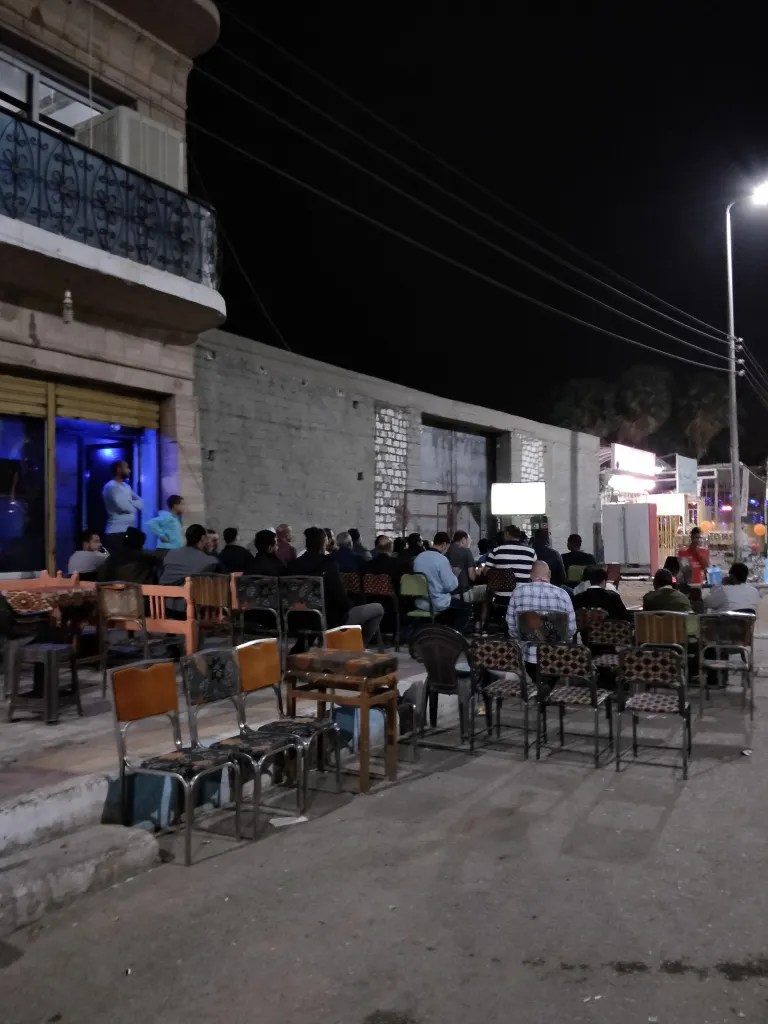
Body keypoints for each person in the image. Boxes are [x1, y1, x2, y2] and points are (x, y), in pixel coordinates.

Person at [288, 526, 384, 645]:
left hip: (298, 618)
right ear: (323, 543)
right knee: (378, 608)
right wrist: (352, 606)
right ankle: (357, 647)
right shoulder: (328, 564)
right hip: (330, 619)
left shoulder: (293, 566)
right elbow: (340, 597)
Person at [506, 561, 577, 673]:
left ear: (530, 574)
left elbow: (512, 627)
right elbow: (571, 629)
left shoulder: (518, 592)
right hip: (557, 658)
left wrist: (524, 638)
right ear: (549, 574)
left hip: (528, 659)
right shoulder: (563, 594)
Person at [413, 532, 470, 631]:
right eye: (447, 547)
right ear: (444, 545)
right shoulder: (441, 559)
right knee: (466, 608)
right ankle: (452, 637)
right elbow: (450, 586)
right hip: (436, 602)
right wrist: (454, 575)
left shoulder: (419, 557)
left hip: (420, 601)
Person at [102, 460, 143, 553]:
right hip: (116, 533)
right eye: (127, 467)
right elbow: (124, 507)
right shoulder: (111, 487)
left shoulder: (126, 487)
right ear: (119, 469)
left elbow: (141, 503)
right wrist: (133, 504)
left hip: (128, 532)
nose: (129, 471)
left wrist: (131, 503)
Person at [486, 526, 536, 598]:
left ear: (507, 534)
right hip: (524, 594)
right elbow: (534, 571)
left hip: (502, 596)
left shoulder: (496, 551)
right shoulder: (531, 551)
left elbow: (486, 572)